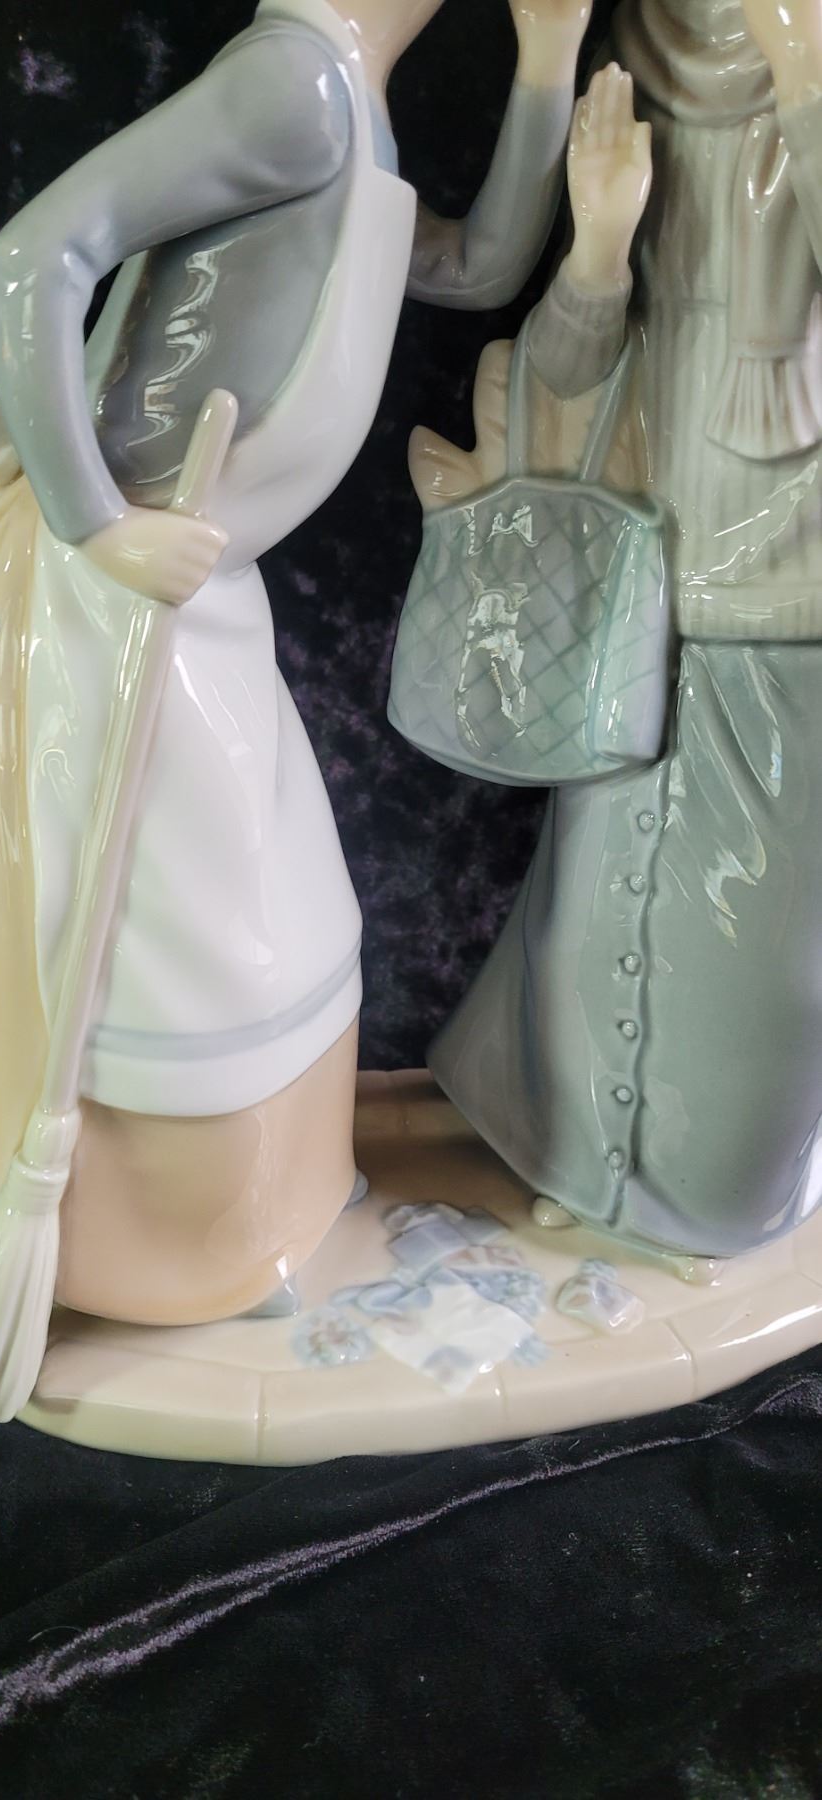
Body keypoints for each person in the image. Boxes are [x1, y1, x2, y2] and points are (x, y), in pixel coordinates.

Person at [0, 0, 594, 1330]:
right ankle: (171, 1251)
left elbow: (474, 268)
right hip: (128, 589)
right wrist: (98, 526)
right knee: (194, 937)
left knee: (274, 903)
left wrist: (546, 63)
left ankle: (271, 1218)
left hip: (200, 588)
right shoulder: (297, 86)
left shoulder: (347, 99)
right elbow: (35, 253)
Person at [427, 0, 822, 1260]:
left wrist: (805, 69)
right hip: (637, 589)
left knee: (757, 951)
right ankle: (590, 1176)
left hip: (793, 594)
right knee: (596, 911)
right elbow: (564, 372)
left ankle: (712, 1193)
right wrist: (598, 248)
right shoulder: (635, 59)